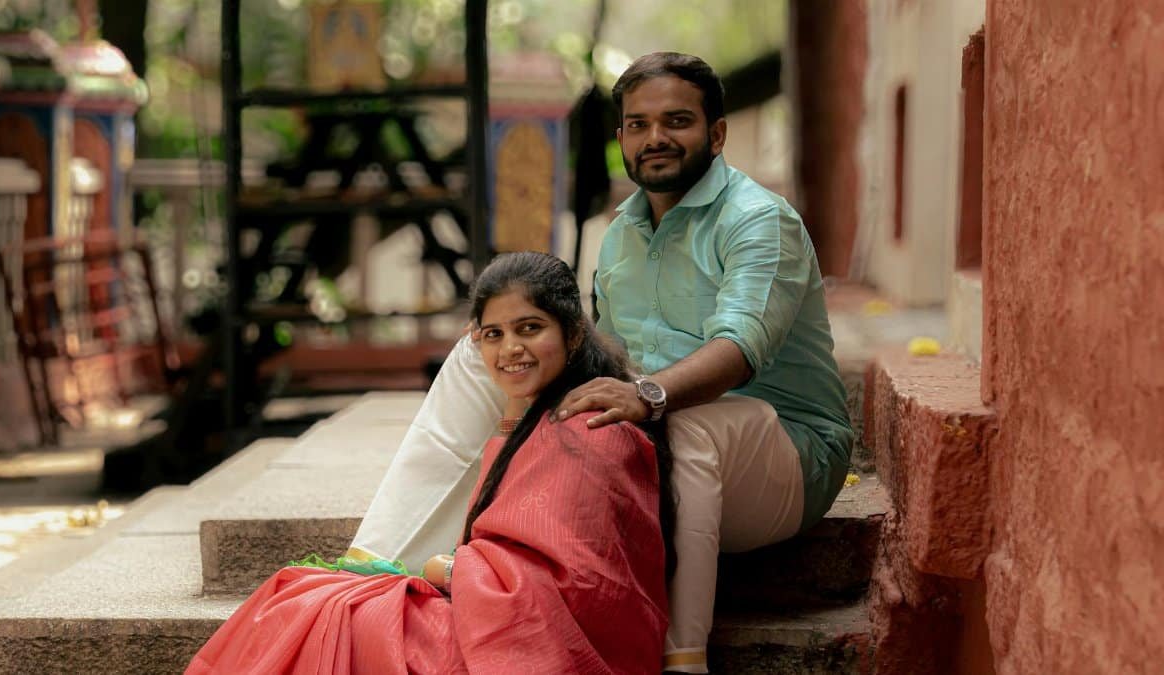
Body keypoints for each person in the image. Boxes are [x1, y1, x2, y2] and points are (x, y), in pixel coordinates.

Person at [351, 52, 853, 673]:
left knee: (682, 424)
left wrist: (647, 395)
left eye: (677, 121)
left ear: (716, 134)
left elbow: (740, 349)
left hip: (785, 453)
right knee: (483, 348)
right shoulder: (621, 234)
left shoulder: (759, 220)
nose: (656, 138)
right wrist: (520, 343)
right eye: (638, 125)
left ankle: (683, 656)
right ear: (620, 139)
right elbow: (607, 361)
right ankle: (376, 563)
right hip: (659, 430)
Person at [186, 252, 675, 674]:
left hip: (534, 646)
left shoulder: (595, 429)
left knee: (330, 614)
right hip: (488, 618)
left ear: (571, 335)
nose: (510, 349)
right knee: (300, 594)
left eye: (530, 329)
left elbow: (581, 586)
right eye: (493, 335)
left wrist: (444, 569)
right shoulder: (530, 418)